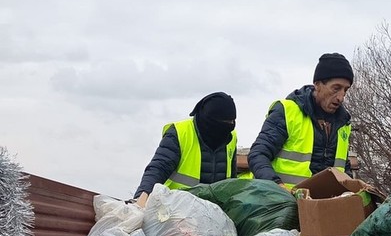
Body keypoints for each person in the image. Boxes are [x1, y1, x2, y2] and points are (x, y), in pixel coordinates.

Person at [247, 53, 354, 187]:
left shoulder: (343, 124)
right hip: (281, 203)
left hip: (323, 205)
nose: (341, 97)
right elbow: (258, 155)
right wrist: (277, 186)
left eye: (345, 90)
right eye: (336, 88)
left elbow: (344, 168)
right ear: (317, 84)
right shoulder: (287, 111)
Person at [132, 92, 237, 204]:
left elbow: (231, 179)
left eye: (232, 121)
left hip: (215, 212)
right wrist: (142, 195)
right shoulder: (180, 133)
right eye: (225, 122)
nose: (230, 125)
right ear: (210, 120)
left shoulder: (231, 137)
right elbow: (159, 167)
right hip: (175, 210)